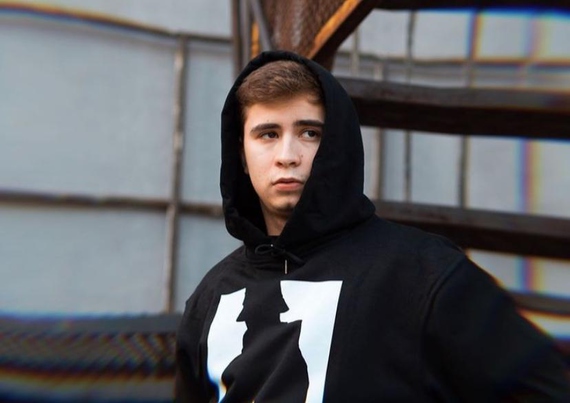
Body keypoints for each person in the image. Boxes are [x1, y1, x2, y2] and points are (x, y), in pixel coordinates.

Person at [175, 50, 569, 402]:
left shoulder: (421, 274)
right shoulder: (212, 297)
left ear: (336, 145)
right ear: (242, 156)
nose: (287, 155)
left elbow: (547, 388)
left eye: (310, 133)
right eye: (268, 134)